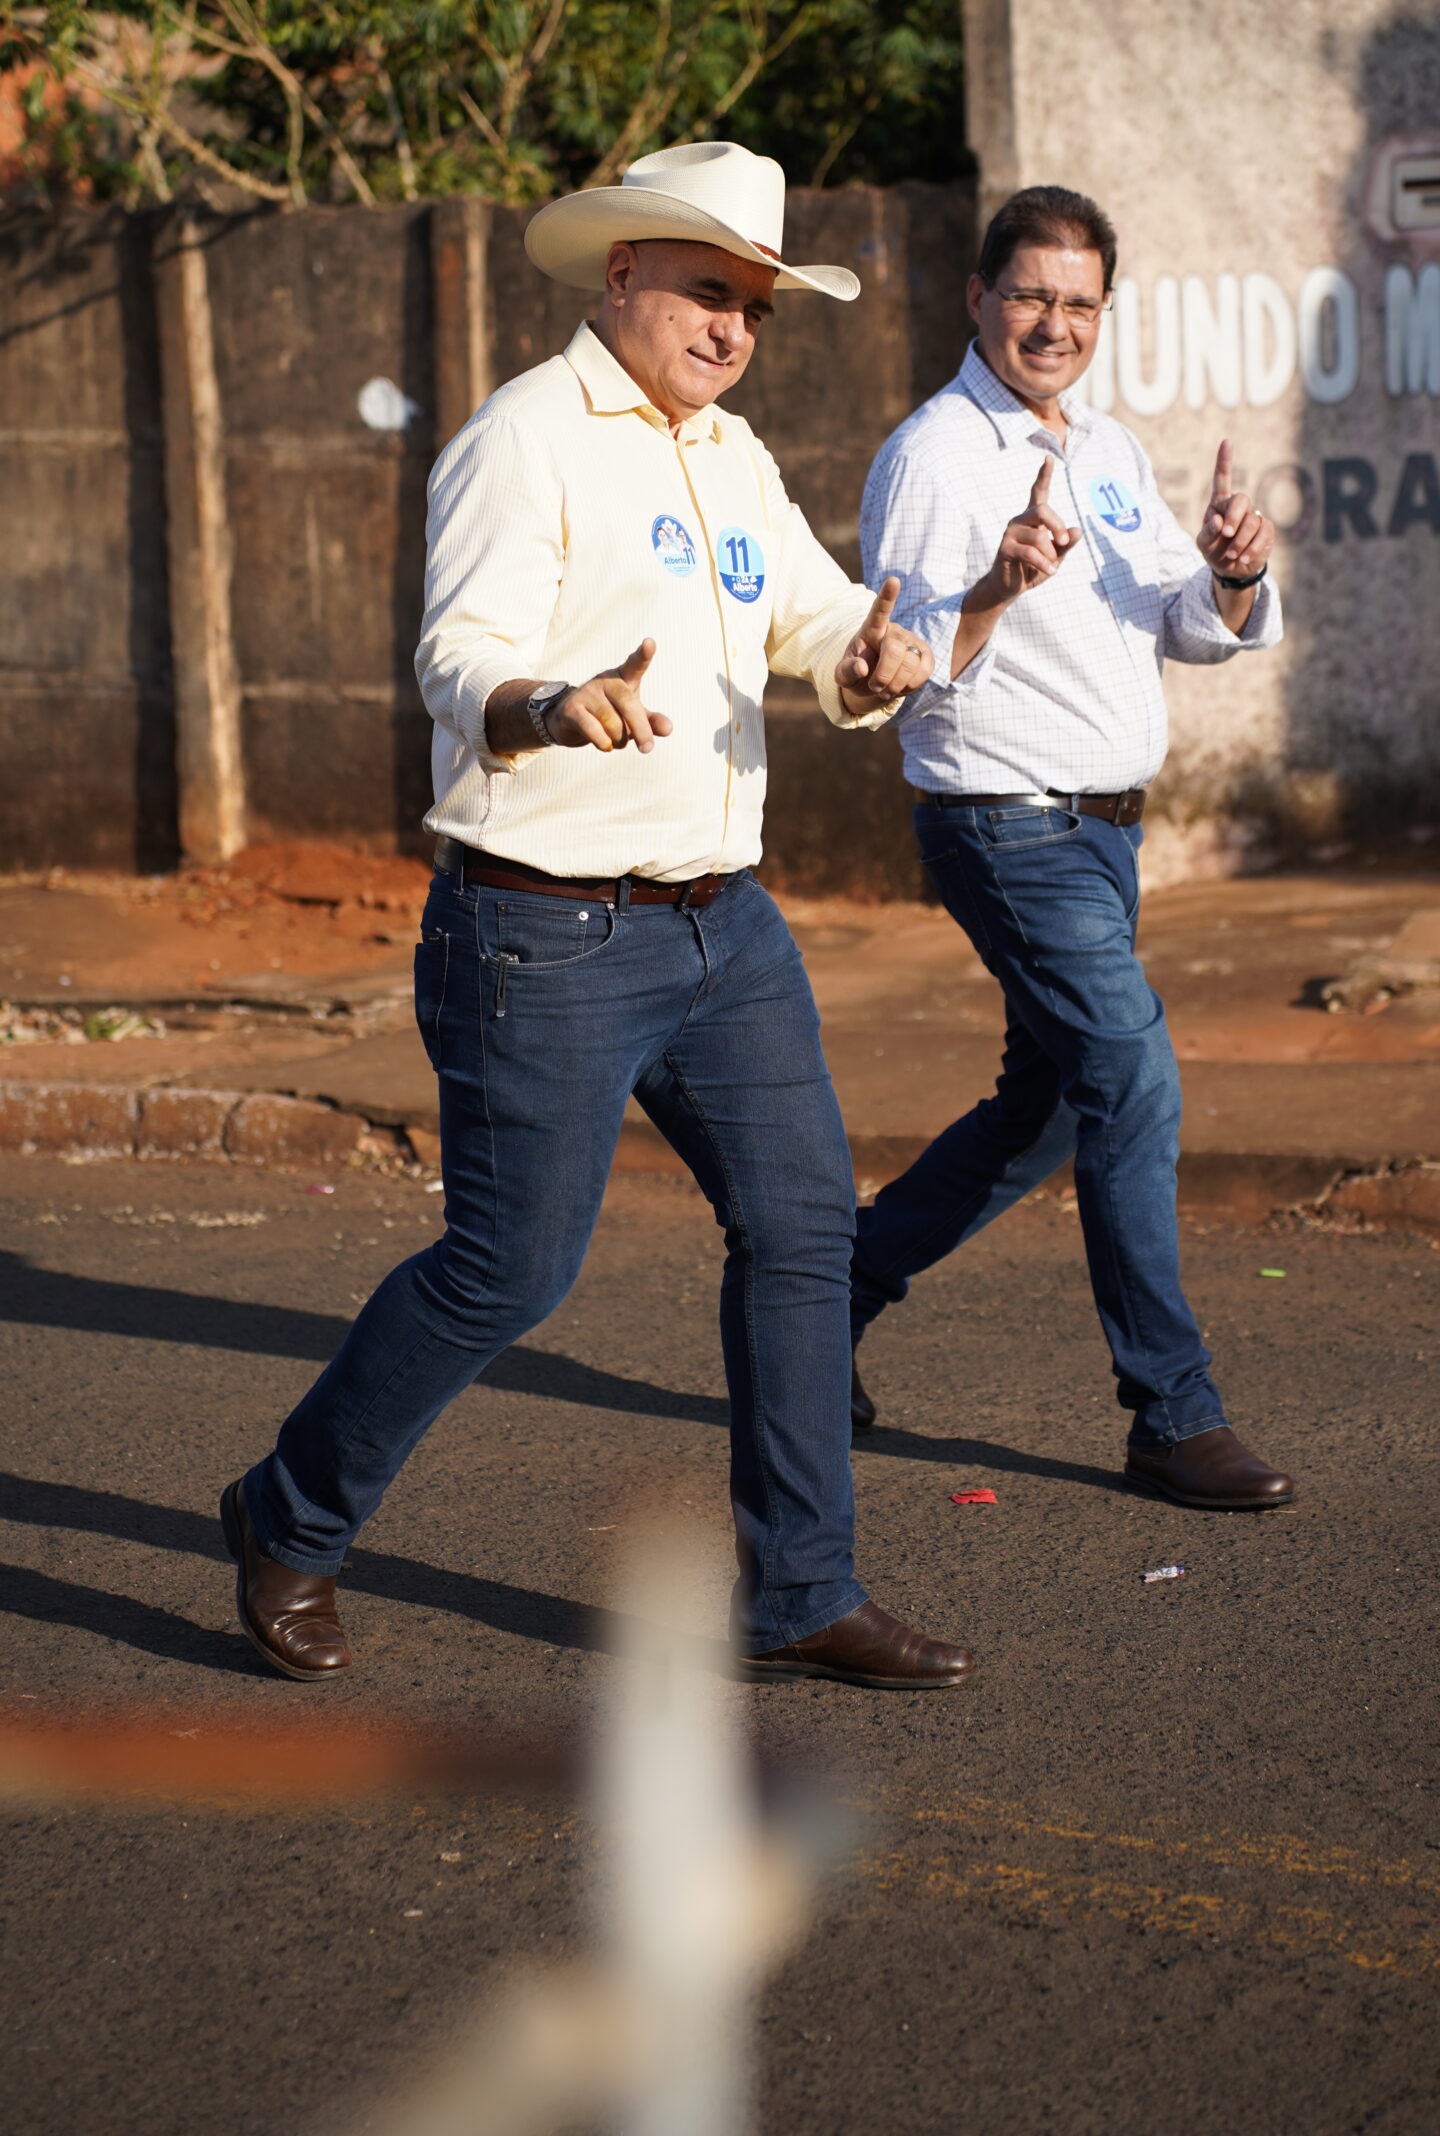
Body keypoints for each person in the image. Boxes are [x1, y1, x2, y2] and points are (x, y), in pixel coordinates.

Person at [222, 140, 977, 1690]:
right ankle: (289, 1514)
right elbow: (455, 653)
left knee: (802, 1234)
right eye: (710, 292)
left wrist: (867, 658)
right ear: (623, 270)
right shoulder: (526, 439)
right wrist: (551, 705)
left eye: (755, 308)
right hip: (542, 930)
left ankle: (800, 1593)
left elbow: (810, 609)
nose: (732, 329)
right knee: (510, 1271)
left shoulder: (733, 452)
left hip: (725, 926)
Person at [850, 184, 1295, 1511]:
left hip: (1103, 837)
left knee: (1045, 1113)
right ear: (978, 300)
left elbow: (1183, 615)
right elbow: (898, 672)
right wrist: (990, 583)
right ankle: (1172, 1411)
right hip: (1005, 820)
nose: (1055, 323)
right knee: (1136, 1083)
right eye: (1032, 295)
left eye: (1080, 302)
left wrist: (1227, 571)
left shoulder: (1101, 446)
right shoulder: (935, 455)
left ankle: (817, 1302)